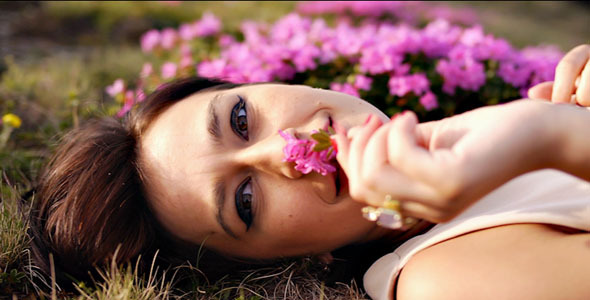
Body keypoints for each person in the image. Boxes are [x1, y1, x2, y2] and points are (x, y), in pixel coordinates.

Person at [27, 44, 589, 299]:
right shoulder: (442, 281)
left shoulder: (510, 122)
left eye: (241, 118)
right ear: (291, 260)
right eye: (245, 202)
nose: (289, 151)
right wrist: (551, 137)